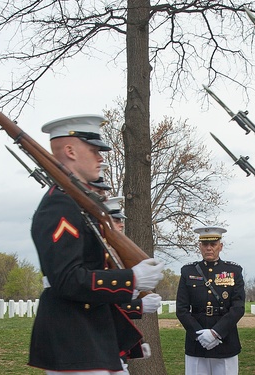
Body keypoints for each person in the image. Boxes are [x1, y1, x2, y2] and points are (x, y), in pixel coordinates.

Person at [28, 114, 164, 374]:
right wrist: (130, 279)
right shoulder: (60, 205)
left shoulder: (76, 204)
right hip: (73, 342)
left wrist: (124, 340)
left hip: (91, 339)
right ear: (70, 150)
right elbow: (67, 279)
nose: (101, 158)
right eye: (94, 151)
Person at [176, 226, 245, 375]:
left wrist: (216, 333)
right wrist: (199, 334)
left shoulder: (234, 271)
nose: (209, 248)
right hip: (197, 343)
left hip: (225, 341)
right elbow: (181, 309)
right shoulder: (188, 272)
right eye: (205, 244)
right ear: (199, 246)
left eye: (213, 244)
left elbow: (238, 307)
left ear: (220, 246)